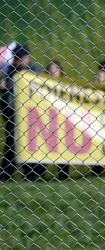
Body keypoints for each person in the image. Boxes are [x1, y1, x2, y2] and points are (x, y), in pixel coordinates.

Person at [1, 44, 43, 181]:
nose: (19, 61)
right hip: (14, 114)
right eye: (17, 58)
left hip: (32, 114)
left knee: (33, 143)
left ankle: (33, 173)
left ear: (27, 58)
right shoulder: (11, 72)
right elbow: (8, 95)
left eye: (22, 58)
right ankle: (6, 174)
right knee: (12, 144)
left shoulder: (35, 71)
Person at [45, 60, 73, 180]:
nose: (53, 72)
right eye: (50, 70)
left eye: (55, 69)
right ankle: (39, 172)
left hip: (63, 119)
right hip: (48, 119)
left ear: (60, 71)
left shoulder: (66, 85)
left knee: (63, 145)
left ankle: (63, 173)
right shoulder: (43, 84)